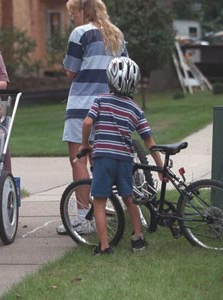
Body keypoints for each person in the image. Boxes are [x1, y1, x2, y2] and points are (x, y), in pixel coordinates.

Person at [57, 0, 128, 235]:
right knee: (100, 160)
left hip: (83, 105)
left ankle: (83, 218)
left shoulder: (80, 33)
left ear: (81, 11)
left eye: (73, 13)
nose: (72, 18)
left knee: (79, 159)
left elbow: (71, 71)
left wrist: (64, 62)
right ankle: (101, 209)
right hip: (110, 106)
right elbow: (124, 68)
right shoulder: (117, 33)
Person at [79, 57, 163, 254]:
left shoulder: (100, 100)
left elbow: (87, 123)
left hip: (103, 158)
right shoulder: (136, 109)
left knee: (99, 202)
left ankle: (105, 247)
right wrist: (159, 167)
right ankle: (138, 239)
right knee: (129, 198)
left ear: (110, 79)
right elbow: (148, 141)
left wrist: (85, 144)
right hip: (125, 158)